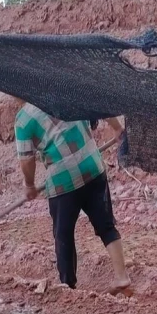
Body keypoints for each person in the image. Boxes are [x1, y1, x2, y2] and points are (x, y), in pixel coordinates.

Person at [13, 99, 132, 295]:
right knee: (106, 226)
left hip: (63, 182)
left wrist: (29, 184)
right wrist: (118, 128)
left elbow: (26, 160)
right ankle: (122, 277)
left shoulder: (23, 120)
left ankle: (68, 287)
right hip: (93, 166)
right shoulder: (64, 90)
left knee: (63, 235)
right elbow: (100, 103)